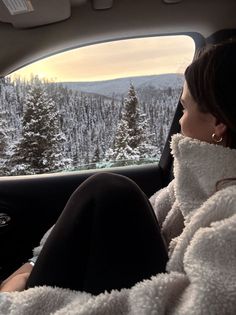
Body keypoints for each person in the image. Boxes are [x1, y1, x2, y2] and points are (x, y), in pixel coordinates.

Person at [0, 40, 236, 314]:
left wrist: (15, 306)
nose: (180, 121)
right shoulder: (193, 184)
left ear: (218, 123)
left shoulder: (229, 211)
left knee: (111, 190)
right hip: (154, 286)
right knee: (108, 192)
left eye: (184, 108)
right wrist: (32, 266)